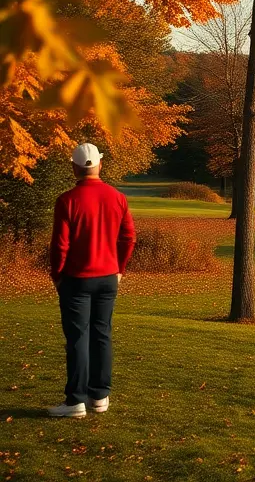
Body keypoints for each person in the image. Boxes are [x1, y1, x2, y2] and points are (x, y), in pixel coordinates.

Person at [48, 143, 136, 418]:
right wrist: (119, 268)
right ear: (100, 165)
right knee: (102, 335)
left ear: (74, 167)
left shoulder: (67, 200)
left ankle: (75, 400)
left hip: (76, 279)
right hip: (108, 277)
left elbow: (60, 246)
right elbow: (128, 237)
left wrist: (57, 275)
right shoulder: (118, 198)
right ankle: (99, 396)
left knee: (78, 338)